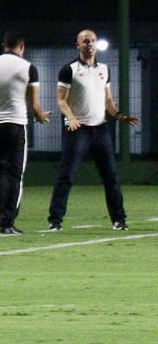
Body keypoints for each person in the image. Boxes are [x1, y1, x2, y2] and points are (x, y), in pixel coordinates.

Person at [48, 29, 138, 231]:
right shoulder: (69, 70)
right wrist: (71, 118)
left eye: (93, 41)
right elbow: (61, 100)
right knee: (67, 175)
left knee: (111, 176)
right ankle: (55, 219)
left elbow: (108, 100)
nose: (89, 44)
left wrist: (119, 115)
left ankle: (119, 219)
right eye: (85, 41)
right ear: (78, 45)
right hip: (77, 130)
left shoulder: (104, 69)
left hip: (100, 130)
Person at [0, 30, 52, 235]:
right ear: (22, 46)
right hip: (15, 124)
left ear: (3, 46)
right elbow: (34, 103)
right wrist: (40, 116)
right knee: (15, 173)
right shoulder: (28, 67)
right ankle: (8, 220)